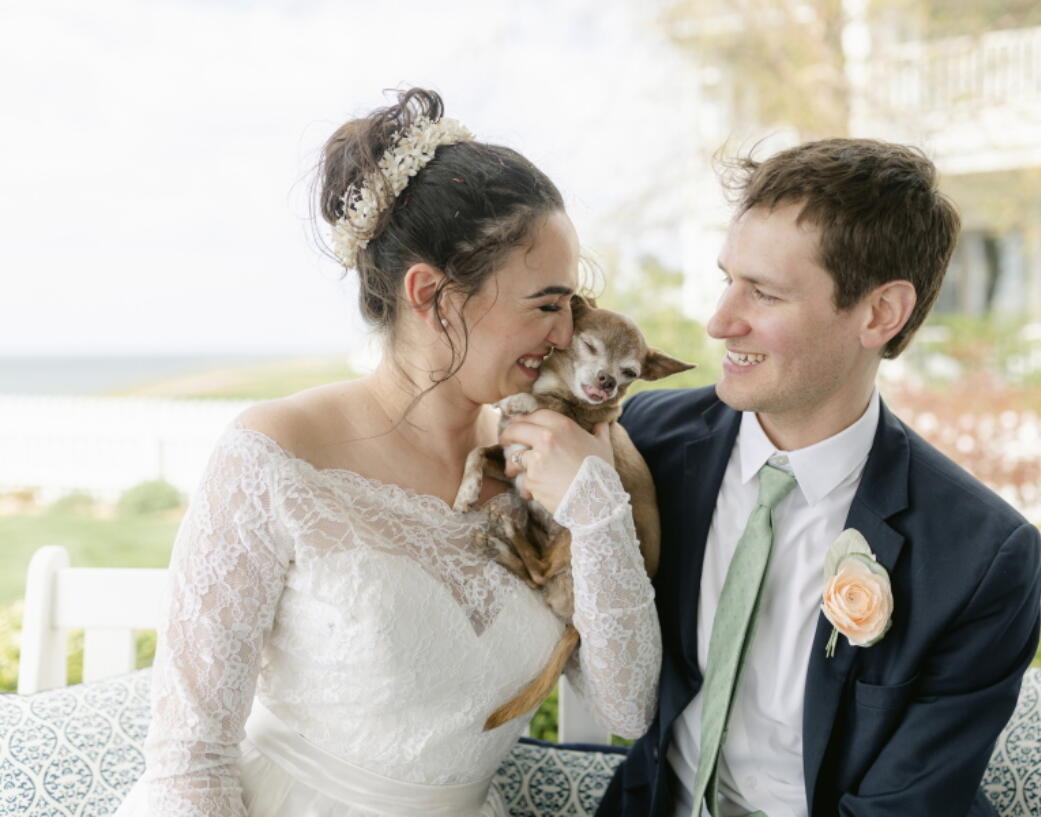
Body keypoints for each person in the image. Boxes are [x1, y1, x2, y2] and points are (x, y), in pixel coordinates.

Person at [115, 88, 660, 817]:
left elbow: (629, 706)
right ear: (433, 294)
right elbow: (190, 758)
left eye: (571, 304)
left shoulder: (555, 462)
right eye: (546, 304)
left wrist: (598, 509)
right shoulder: (275, 453)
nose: (566, 333)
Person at [597, 139, 1041, 817]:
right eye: (728, 278)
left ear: (880, 313)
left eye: (765, 293)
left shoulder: (978, 555)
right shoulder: (647, 441)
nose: (720, 321)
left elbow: (903, 808)